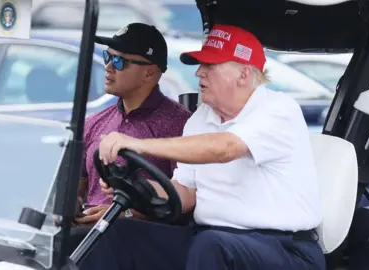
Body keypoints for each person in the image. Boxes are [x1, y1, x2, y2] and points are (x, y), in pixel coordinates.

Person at [79, 24, 325, 270]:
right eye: (200, 65)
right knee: (116, 233)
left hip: (285, 249)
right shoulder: (201, 119)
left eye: (210, 66)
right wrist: (137, 188)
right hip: (210, 239)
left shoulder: (277, 108)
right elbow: (184, 193)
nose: (199, 73)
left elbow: (225, 148)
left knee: (211, 245)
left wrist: (138, 145)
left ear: (244, 74)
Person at [72, 22, 192, 226]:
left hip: (140, 238)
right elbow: (77, 189)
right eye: (107, 57)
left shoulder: (181, 125)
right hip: (86, 232)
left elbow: (185, 206)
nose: (109, 67)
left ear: (150, 72)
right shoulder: (94, 122)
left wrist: (126, 215)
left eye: (119, 62)